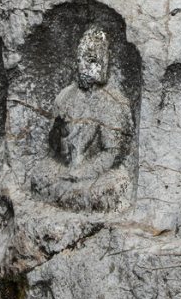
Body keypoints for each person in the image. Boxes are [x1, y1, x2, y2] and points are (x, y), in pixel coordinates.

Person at [40, 25, 135, 212]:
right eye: (80, 60)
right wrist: (58, 131)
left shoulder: (113, 101)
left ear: (103, 62)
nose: (83, 66)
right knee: (40, 175)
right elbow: (54, 147)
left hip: (94, 174)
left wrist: (83, 172)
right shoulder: (65, 96)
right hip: (66, 167)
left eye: (91, 60)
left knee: (112, 188)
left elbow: (113, 152)